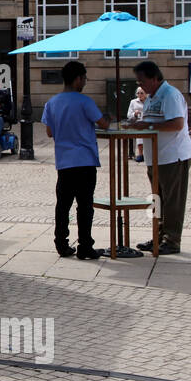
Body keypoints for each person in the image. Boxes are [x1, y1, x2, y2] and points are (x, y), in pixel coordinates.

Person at [123, 60, 191, 255]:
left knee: (172, 201)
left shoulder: (170, 95)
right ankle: (158, 234)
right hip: (154, 157)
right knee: (157, 199)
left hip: (173, 156)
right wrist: (138, 123)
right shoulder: (152, 96)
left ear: (155, 78)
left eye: (142, 81)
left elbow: (177, 124)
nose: (140, 86)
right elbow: (152, 120)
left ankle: (171, 240)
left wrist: (147, 126)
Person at [42, 61, 111, 260]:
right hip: (85, 161)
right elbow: (104, 124)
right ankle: (85, 246)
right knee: (85, 206)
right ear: (78, 78)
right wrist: (108, 117)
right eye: (85, 79)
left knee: (63, 205)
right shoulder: (84, 102)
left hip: (64, 162)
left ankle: (61, 244)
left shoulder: (52, 103)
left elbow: (48, 132)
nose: (85, 82)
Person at [126, 87, 147, 161]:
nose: (139, 95)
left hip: (147, 121)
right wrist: (134, 114)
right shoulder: (133, 102)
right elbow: (128, 115)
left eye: (142, 93)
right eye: (138, 93)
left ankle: (147, 153)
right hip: (137, 122)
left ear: (145, 94)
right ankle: (140, 154)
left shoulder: (149, 101)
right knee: (139, 130)